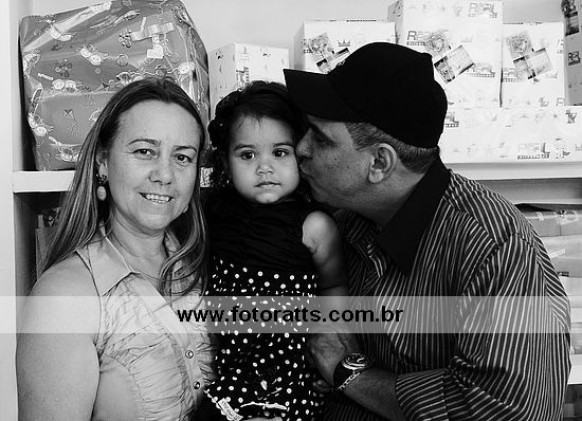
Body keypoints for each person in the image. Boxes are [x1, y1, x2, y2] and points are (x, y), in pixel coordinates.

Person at [283, 42, 571, 421]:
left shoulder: (494, 245)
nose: (301, 148)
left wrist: (348, 374)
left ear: (379, 163)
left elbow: (502, 408)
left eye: (321, 139)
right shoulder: (342, 219)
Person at [17, 77, 216, 420]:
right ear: (102, 162)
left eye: (183, 157)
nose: (165, 175)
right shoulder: (64, 298)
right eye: (144, 152)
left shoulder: (207, 267)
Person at [201, 81, 347, 421]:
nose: (264, 167)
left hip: (290, 374)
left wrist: (334, 347)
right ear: (226, 162)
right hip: (231, 369)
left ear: (302, 155)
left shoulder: (314, 227)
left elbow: (334, 286)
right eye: (247, 155)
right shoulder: (214, 214)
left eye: (280, 153)